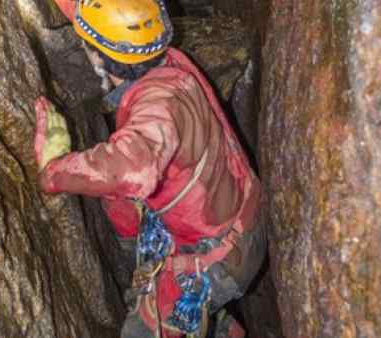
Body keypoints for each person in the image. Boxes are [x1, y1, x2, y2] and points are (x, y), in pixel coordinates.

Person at [34, 0, 266, 337]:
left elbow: (134, 170)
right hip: (234, 220)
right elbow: (107, 14)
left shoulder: (158, 105)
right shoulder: (166, 60)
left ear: (97, 55)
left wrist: (54, 169)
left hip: (218, 257)